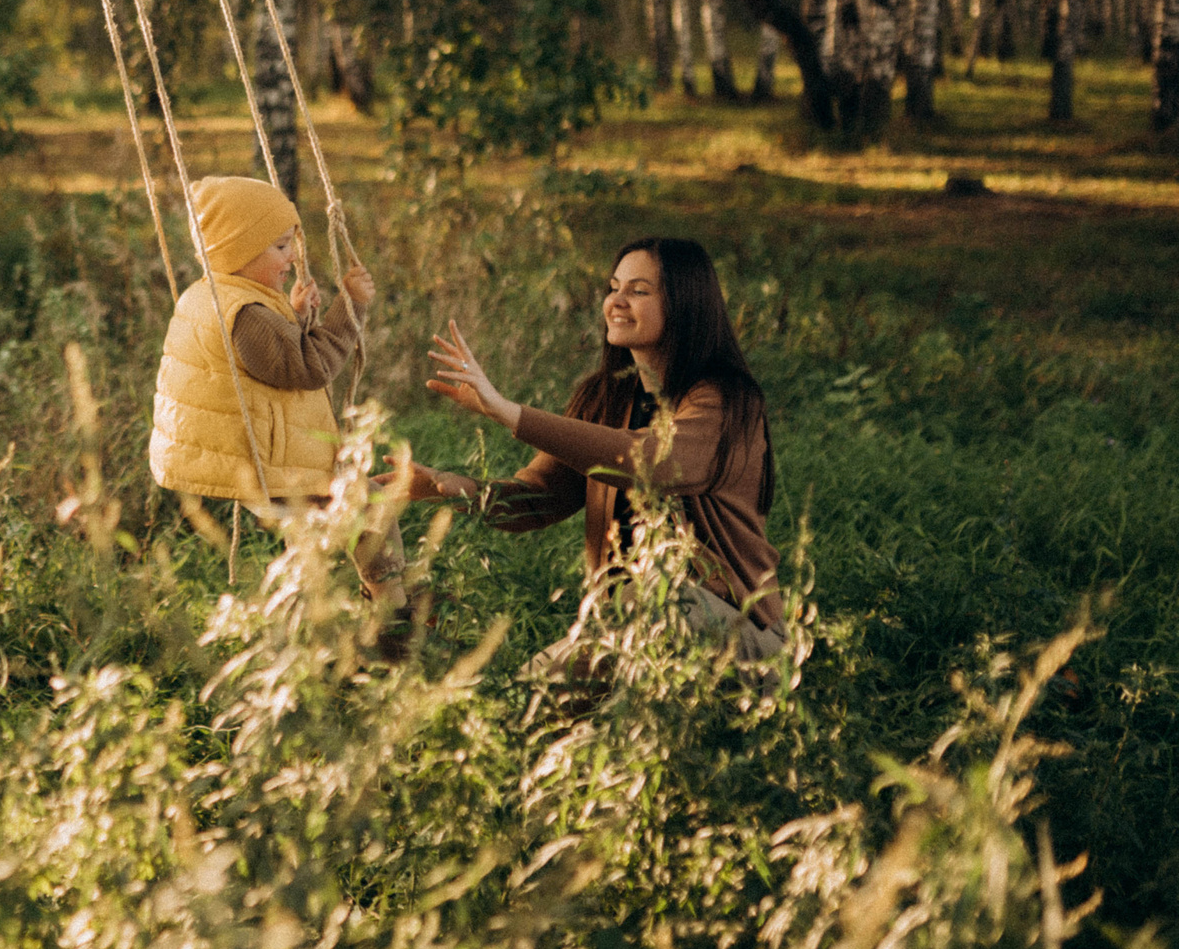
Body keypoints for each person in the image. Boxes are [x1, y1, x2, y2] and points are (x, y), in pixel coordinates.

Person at [415, 236, 784, 669]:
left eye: (639, 290)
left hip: (738, 638)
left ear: (685, 303)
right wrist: (457, 491)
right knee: (531, 695)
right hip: (625, 625)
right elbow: (541, 497)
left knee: (652, 598)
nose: (616, 301)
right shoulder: (604, 397)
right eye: (614, 287)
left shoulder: (728, 401)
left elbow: (652, 461)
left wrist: (508, 412)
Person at [148, 176, 407, 643]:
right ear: (239, 251)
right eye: (281, 247)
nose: (292, 257)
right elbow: (307, 368)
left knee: (323, 532)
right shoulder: (246, 315)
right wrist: (350, 310)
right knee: (368, 505)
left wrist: (296, 315)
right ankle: (391, 618)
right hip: (267, 466)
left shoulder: (218, 293)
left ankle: (319, 622)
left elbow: (267, 358)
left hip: (255, 456)